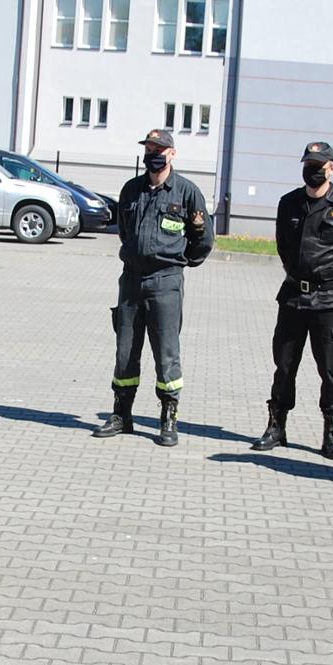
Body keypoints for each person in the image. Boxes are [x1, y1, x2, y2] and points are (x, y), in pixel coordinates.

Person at [90, 129, 212, 447]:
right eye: (149, 148)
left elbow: (204, 240)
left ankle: (168, 419)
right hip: (131, 280)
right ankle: (122, 415)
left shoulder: (186, 192)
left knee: (166, 353)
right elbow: (125, 232)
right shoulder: (132, 190)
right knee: (125, 351)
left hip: (166, 282)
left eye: (159, 149)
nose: (153, 154)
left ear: (172, 153)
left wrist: (177, 263)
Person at [250, 141, 333, 461]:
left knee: (330, 370)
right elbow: (283, 246)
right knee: (284, 366)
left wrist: (332, 280)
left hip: (329, 299)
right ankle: (277, 427)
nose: (313, 171)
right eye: (308, 164)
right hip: (292, 297)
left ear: (332, 168)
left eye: (319, 165)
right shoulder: (289, 203)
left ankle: (331, 433)